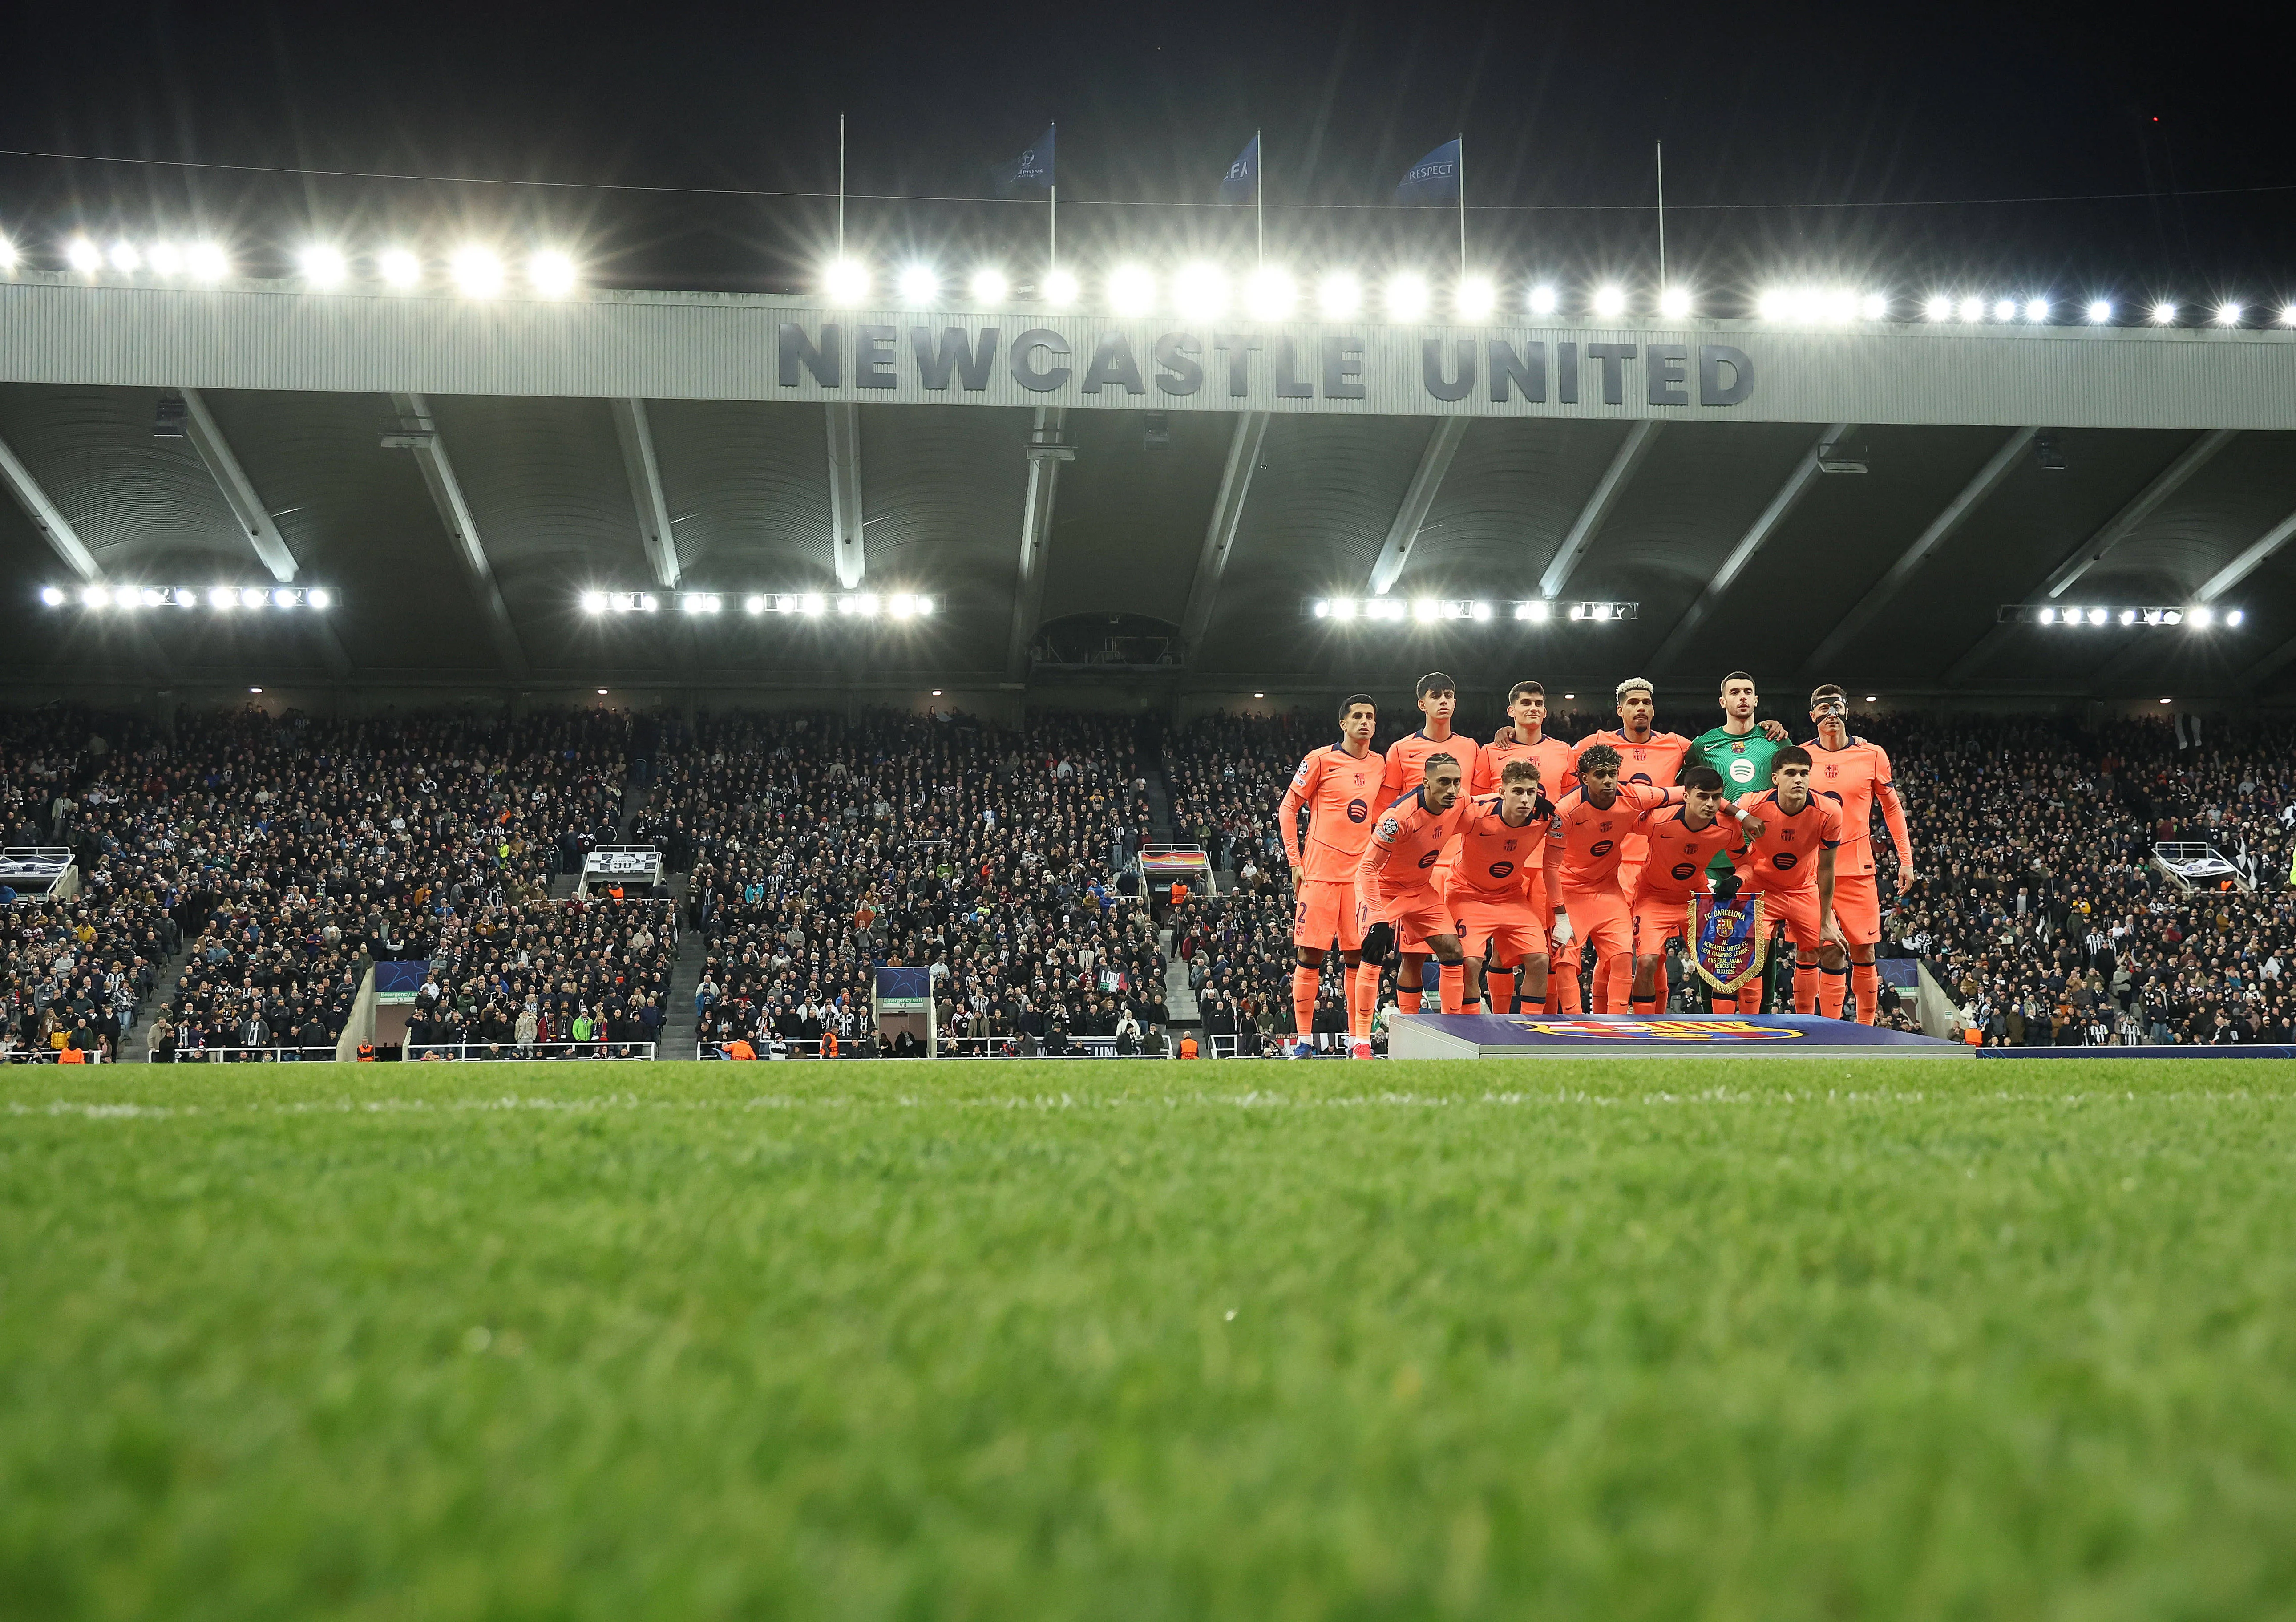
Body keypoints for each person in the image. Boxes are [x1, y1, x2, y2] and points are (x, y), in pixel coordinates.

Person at [1568, 679, 1697, 1011]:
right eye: (1634, 702)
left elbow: (1718, 751)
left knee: (1650, 950)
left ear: (1654, 709)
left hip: (1660, 861)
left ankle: (1653, 1026)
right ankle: (1603, 1018)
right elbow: (1561, 769)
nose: (1641, 707)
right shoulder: (1597, 743)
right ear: (1620, 709)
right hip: (1617, 863)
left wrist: (1768, 729)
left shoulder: (1678, 745)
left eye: (1647, 702)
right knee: (1617, 952)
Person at [1547, 742, 1693, 1014]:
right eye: (1600, 774)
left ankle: (1616, 1025)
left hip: (1608, 889)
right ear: (1584, 778)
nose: (1608, 780)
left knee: (1624, 957)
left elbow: (1689, 793)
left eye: (1613, 773)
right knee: (1565, 960)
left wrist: (1739, 813)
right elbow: (1550, 867)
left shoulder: (1633, 796)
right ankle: (1575, 1025)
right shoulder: (1565, 811)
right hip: (1570, 892)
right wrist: (1560, 915)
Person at [1278, 693, 1387, 1051]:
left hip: (1360, 878)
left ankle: (1359, 1040)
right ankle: (1304, 1040)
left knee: (1358, 957)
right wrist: (1295, 861)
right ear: (1343, 723)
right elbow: (1288, 808)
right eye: (1357, 716)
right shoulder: (1321, 760)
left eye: (1370, 716)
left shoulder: (1381, 764)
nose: (1365, 722)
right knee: (1310, 955)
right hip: (1319, 874)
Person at [1803, 684, 1916, 1023]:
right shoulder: (1800, 755)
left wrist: (1906, 860)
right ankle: (1829, 1030)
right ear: (1813, 716)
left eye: (1837, 707)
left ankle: (1866, 1030)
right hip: (1813, 870)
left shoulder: (1872, 754)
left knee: (1864, 949)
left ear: (1847, 712)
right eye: (1823, 709)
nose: (1831, 714)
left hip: (1858, 868)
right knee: (1827, 949)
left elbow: (1892, 809)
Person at [1684, 672, 1793, 1012]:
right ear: (1723, 702)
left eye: (1748, 691)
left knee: (1764, 937)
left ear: (1757, 700)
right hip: (1716, 855)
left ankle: (1763, 1016)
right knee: (1712, 936)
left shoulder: (1777, 742)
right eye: (1735, 692)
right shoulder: (1704, 745)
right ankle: (1710, 1014)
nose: (1742, 697)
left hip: (1764, 856)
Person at [1476, 680, 1578, 1013]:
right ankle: (1501, 1020)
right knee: (1502, 949)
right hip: (1504, 864)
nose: (1532, 708)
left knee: (1548, 948)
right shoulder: (1491, 751)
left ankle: (1543, 1026)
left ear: (1546, 711)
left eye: (1538, 703)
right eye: (1525, 703)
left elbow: (1570, 805)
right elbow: (1475, 807)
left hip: (1549, 863)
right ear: (1512, 711)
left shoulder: (1564, 751)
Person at [1727, 747, 1847, 1014]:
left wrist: (1826, 922)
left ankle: (1827, 1030)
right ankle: (1750, 1031)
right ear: (1775, 778)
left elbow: (1827, 869)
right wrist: (1741, 818)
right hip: (1760, 888)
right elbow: (1721, 808)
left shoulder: (1829, 811)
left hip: (1803, 889)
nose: (1799, 780)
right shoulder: (1752, 804)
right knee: (1749, 956)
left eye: (1805, 774)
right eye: (1791, 773)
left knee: (1833, 950)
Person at [1625, 765, 1752, 1016]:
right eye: (1702, 797)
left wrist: (1737, 880)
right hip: (1653, 896)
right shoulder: (1657, 820)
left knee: (1724, 958)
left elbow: (1746, 865)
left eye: (1716, 797)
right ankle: (1642, 1029)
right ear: (1686, 796)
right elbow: (1621, 821)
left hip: (1695, 897)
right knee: (1647, 962)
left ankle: (1724, 1026)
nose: (1710, 804)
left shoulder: (1728, 829)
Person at [1377, 673, 1467, 1017]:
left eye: (1449, 694)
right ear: (1422, 703)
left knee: (1459, 953)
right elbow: (1384, 809)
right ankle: (1408, 1029)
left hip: (1456, 866)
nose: (1444, 700)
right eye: (1436, 695)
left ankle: (1459, 1027)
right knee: (1412, 953)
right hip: (1414, 871)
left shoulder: (1471, 747)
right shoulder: (1401, 750)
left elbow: (1472, 804)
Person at [1355, 752, 1475, 1009]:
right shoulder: (1397, 818)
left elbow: (1487, 807)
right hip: (1385, 890)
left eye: (1457, 782)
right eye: (1444, 782)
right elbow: (1367, 868)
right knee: (1373, 954)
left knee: (1453, 951)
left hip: (1421, 890)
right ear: (1426, 783)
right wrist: (1378, 917)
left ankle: (1451, 1033)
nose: (1452, 789)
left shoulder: (1461, 800)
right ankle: (1361, 1042)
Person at [1446, 758, 1559, 1015]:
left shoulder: (1546, 818)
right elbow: (1437, 827)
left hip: (1511, 896)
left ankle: (1528, 1033)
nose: (1525, 800)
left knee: (1541, 959)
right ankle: (1469, 1029)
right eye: (1518, 791)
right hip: (1467, 894)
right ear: (1502, 792)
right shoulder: (1476, 814)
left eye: (1531, 792)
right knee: (1470, 963)